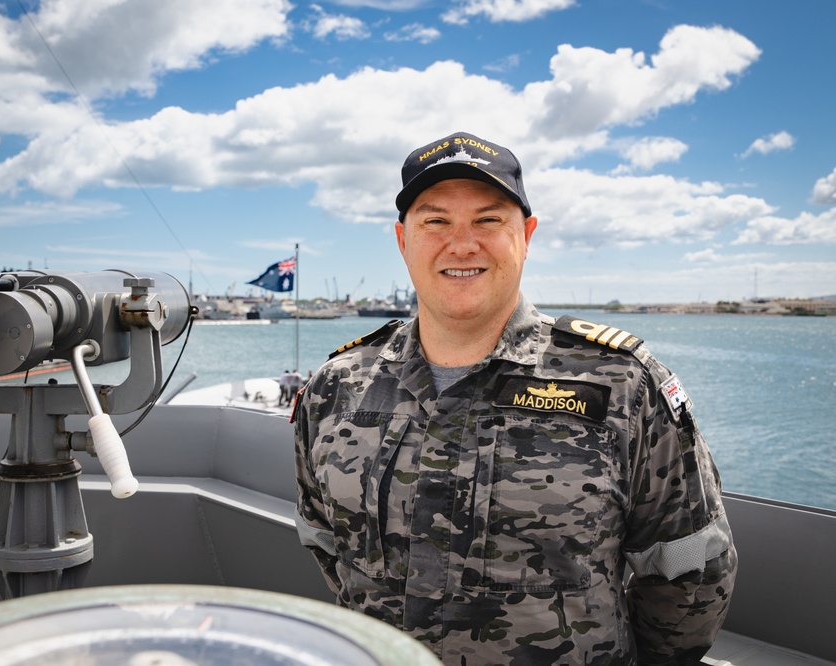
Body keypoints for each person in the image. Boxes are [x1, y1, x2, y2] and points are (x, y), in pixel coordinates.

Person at [292, 131, 737, 665]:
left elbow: (689, 570)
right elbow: (325, 544)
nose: (461, 244)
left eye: (488, 220)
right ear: (402, 239)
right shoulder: (334, 387)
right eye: (435, 221)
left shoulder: (622, 385)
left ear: (525, 235)